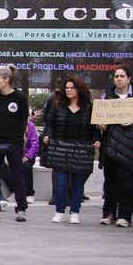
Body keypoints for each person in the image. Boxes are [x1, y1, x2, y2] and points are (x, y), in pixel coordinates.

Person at [97, 65, 133, 227]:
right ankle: (109, 213)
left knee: (128, 182)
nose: (118, 79)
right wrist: (101, 125)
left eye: (121, 76)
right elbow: (100, 118)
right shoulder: (107, 97)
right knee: (110, 180)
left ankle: (125, 215)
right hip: (110, 144)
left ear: (128, 79)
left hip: (130, 144)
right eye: (116, 76)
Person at [42, 77, 96, 223]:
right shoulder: (58, 105)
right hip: (61, 150)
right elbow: (50, 124)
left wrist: (96, 140)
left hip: (81, 150)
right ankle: (59, 210)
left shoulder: (88, 107)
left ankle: (75, 211)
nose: (68, 90)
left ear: (80, 89)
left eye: (72, 87)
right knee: (61, 182)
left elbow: (93, 128)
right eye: (67, 87)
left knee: (78, 183)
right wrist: (47, 136)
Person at [0, 66, 30, 221]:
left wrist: (18, 140)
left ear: (7, 79)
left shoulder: (19, 98)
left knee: (17, 176)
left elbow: (23, 120)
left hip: (14, 143)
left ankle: (21, 209)